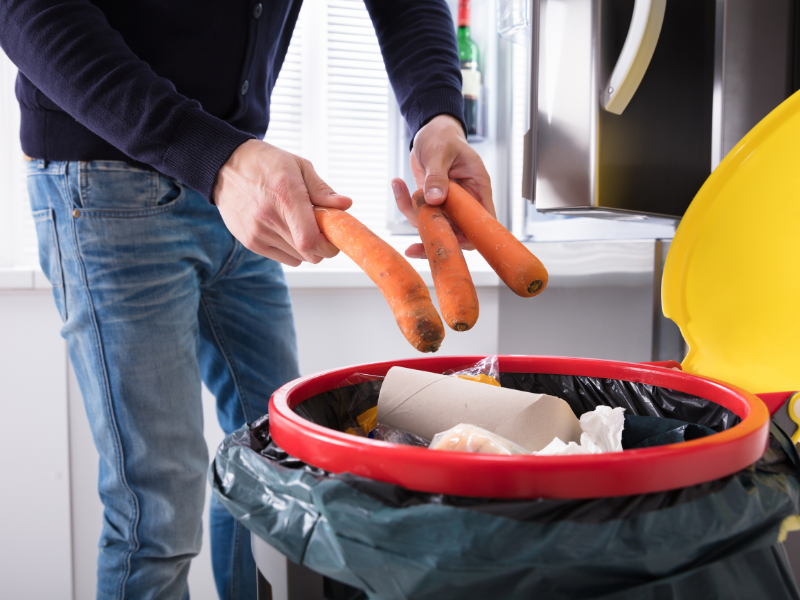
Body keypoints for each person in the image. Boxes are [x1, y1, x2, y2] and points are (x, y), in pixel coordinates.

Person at [0, 1, 493, 598]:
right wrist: (215, 157)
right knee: (156, 513)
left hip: (241, 179)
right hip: (110, 180)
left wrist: (438, 115)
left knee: (276, 466)